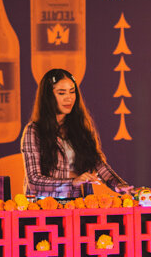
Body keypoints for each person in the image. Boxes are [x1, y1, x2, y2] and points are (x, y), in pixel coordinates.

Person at [22, 68, 133, 199]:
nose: (69, 98)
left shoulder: (80, 128)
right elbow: (34, 181)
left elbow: (99, 165)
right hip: (45, 205)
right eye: (61, 93)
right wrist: (73, 182)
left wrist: (119, 185)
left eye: (72, 91)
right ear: (48, 97)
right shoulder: (34, 131)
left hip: (78, 203)